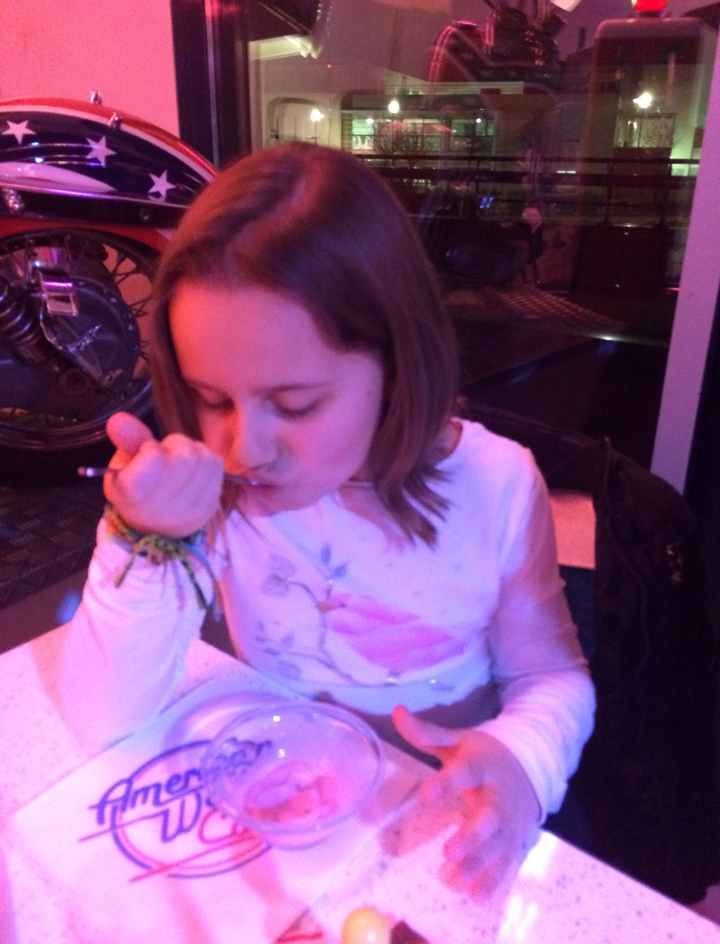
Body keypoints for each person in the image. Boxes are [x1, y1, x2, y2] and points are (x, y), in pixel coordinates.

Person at [59, 142, 595, 898]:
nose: (244, 448)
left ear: (394, 363)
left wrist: (521, 759)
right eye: (211, 399)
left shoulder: (498, 486)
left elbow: (551, 677)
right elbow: (103, 717)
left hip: (438, 824)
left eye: (296, 404)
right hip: (286, 825)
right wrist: (145, 540)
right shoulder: (222, 494)